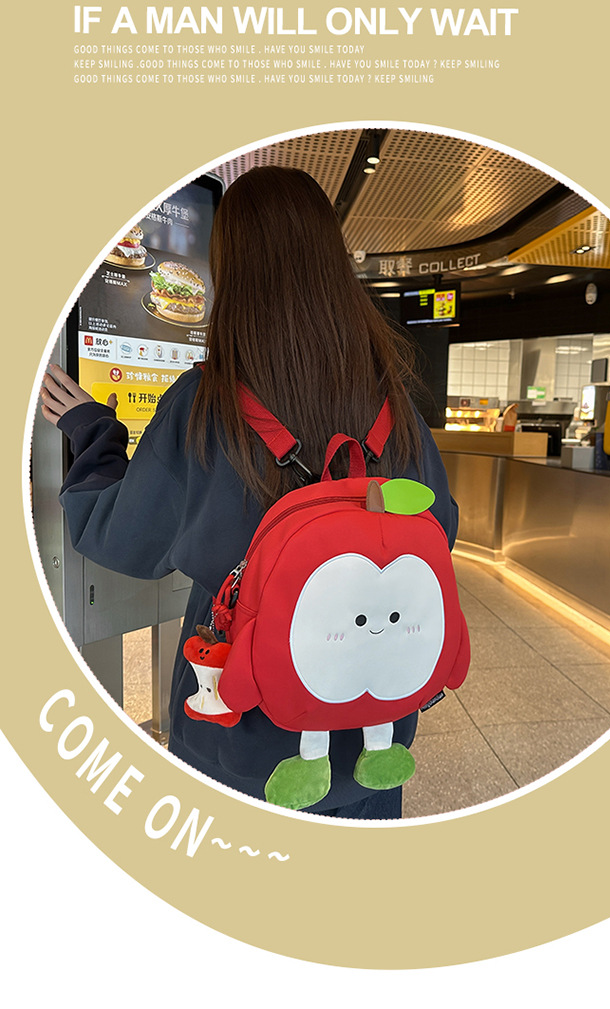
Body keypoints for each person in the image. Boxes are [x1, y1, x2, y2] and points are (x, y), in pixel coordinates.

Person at [40, 165, 458, 820]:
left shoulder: (206, 403)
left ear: (228, 270)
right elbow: (441, 527)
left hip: (237, 742)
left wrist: (94, 432)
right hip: (374, 727)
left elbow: (120, 536)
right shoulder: (393, 400)